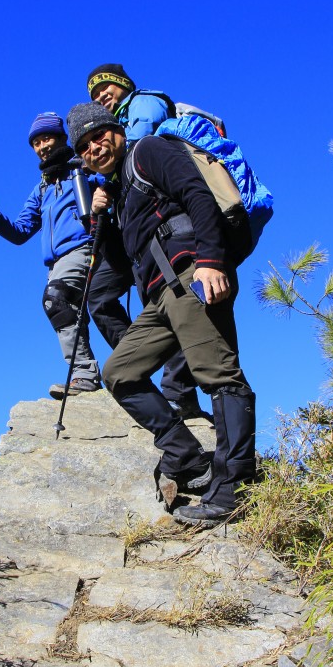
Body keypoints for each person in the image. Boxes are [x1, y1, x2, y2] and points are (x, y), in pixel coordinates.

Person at [66, 101, 256, 527]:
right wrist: (100, 217)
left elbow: (197, 195)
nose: (95, 147)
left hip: (191, 276)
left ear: (116, 129)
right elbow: (119, 260)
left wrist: (211, 260)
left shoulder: (148, 151)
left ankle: (233, 490)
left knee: (219, 376)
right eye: (85, 145)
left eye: (99, 135)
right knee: (120, 372)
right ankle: (188, 458)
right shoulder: (119, 192)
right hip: (159, 298)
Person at [84, 62, 205, 421]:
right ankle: (142, 360)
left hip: (163, 218)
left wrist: (104, 179)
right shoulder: (111, 126)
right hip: (135, 224)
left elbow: (141, 148)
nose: (101, 95)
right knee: (102, 295)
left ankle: (178, 390)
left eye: (106, 88)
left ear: (123, 84)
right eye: (94, 94)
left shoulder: (144, 103)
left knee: (174, 296)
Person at [0, 112, 101, 399]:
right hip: (56, 264)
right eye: (36, 142)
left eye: (47, 138)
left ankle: (83, 373)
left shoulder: (84, 170)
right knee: (80, 312)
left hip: (83, 249)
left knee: (55, 299)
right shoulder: (42, 188)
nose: (42, 146)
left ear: (62, 138)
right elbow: (20, 232)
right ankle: (98, 376)